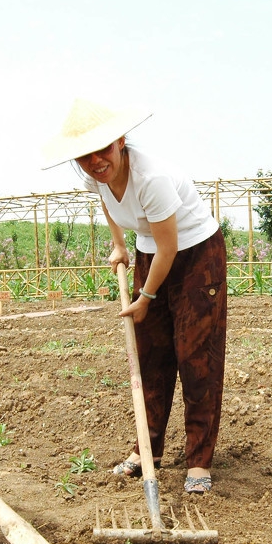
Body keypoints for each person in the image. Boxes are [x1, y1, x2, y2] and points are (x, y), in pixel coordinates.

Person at [42, 99, 227, 494]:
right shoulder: (96, 176)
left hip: (196, 255)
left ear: (120, 142)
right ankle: (148, 450)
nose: (95, 161)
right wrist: (119, 245)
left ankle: (198, 460)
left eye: (102, 149)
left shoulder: (151, 178)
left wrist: (145, 297)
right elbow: (107, 203)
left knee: (195, 356)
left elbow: (169, 248)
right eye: (84, 155)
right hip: (150, 253)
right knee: (150, 356)